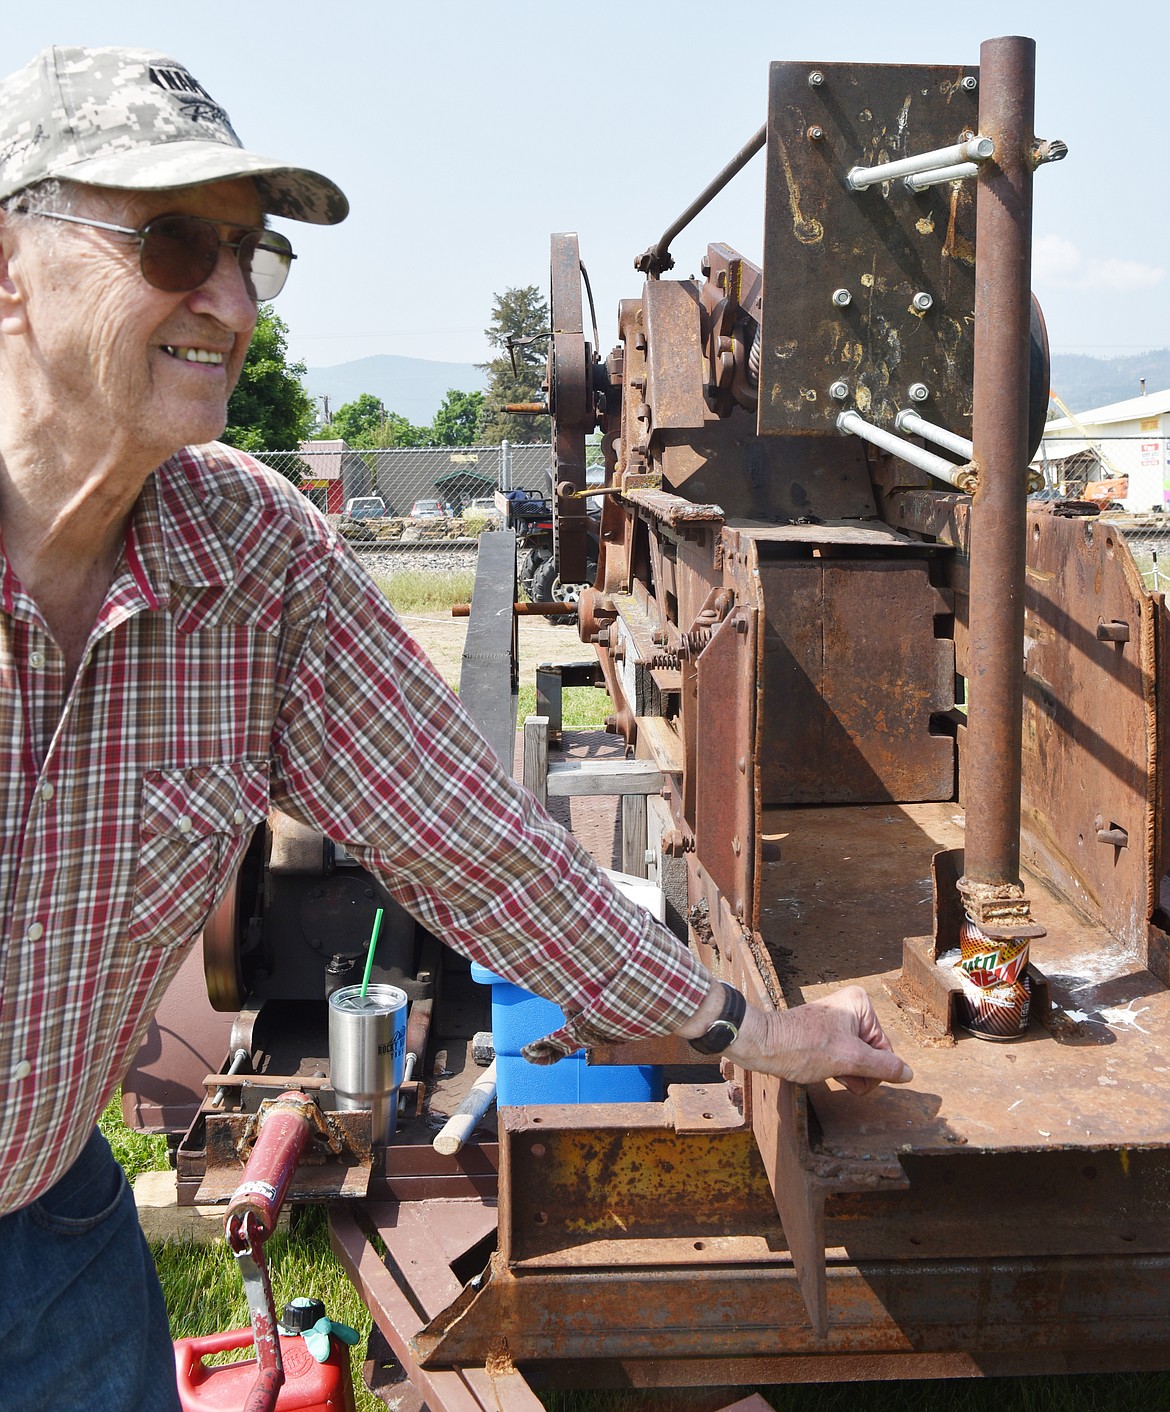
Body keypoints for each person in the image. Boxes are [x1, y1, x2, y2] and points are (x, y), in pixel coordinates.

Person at [0, 45, 912, 1410]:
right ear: (10, 263)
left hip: (48, 1220)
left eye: (253, 256)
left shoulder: (256, 562)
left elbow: (480, 852)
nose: (233, 301)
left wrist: (747, 1030)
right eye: (175, 240)